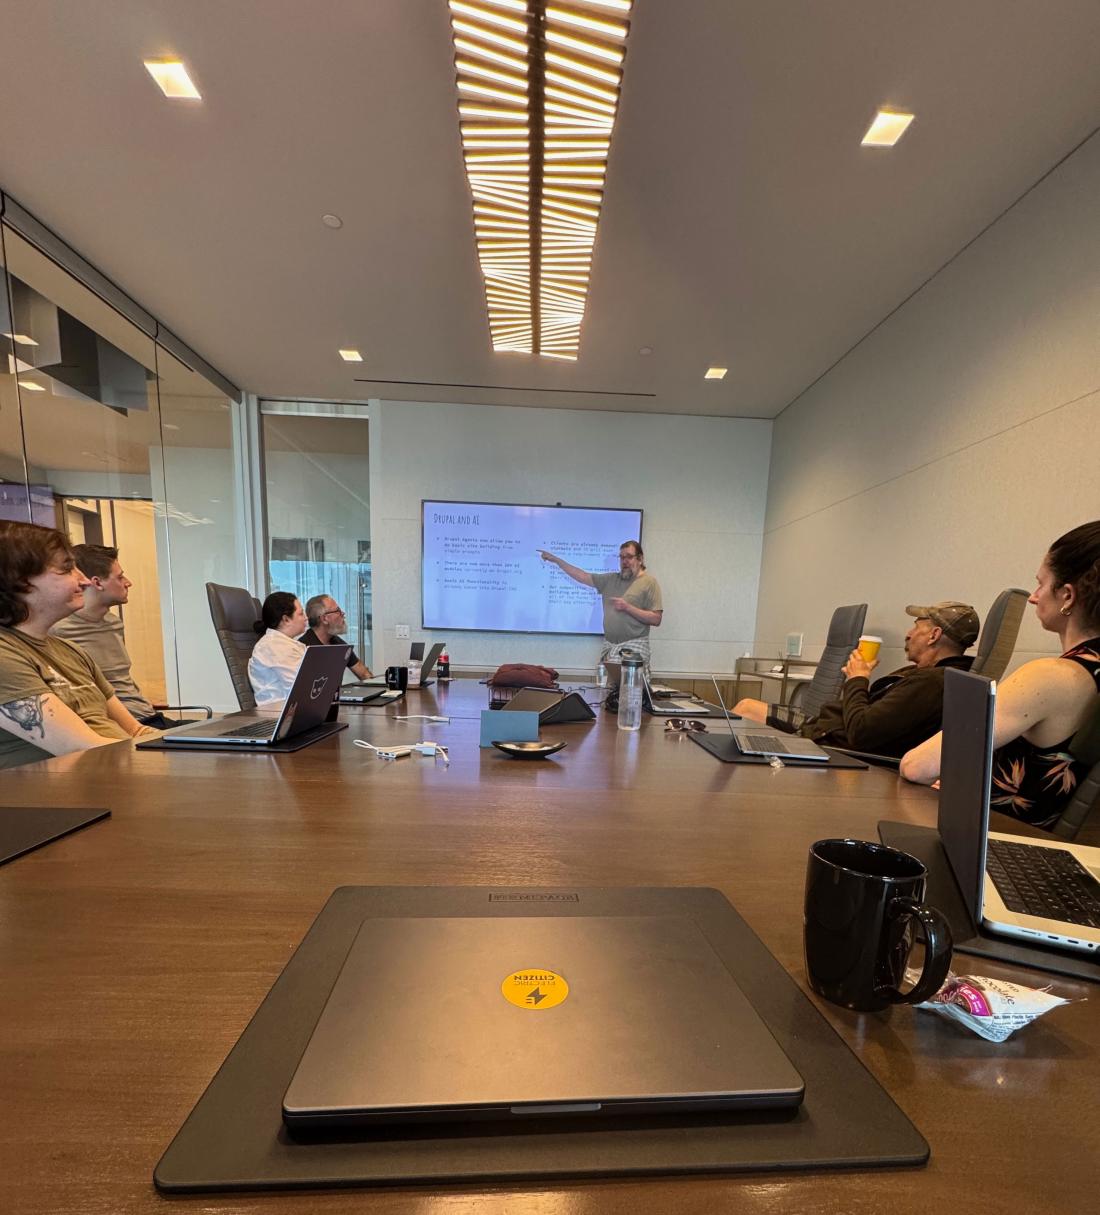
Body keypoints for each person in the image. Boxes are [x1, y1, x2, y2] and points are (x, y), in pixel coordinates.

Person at [901, 523, 1100, 830]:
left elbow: (917, 767)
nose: (1033, 597)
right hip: (1045, 855)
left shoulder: (1053, 677)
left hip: (988, 846)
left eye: (1041, 584)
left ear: (1067, 596)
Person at [0, 521, 160, 769]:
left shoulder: (72, 652)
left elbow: (137, 731)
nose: (85, 581)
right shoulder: (4, 655)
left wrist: (197, 745)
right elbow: (85, 750)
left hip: (113, 781)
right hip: (65, 800)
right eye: (66, 570)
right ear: (18, 581)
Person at [733, 601, 980, 759]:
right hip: (824, 726)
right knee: (746, 707)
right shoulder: (924, 675)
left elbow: (862, 732)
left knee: (742, 726)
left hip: (827, 745)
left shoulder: (931, 683)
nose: (908, 633)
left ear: (934, 635)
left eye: (916, 627)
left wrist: (858, 678)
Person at [50, 543, 179, 729]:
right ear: (96, 582)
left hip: (149, 718)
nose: (128, 582)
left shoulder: (113, 623)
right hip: (125, 726)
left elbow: (121, 681)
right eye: (120, 577)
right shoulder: (58, 631)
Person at [539, 540, 663, 670]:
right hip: (611, 647)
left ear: (640, 559)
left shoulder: (649, 583)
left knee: (631, 690)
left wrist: (628, 608)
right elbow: (582, 576)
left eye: (629, 557)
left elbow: (656, 619)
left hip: (634, 649)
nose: (624, 561)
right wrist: (557, 560)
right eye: (621, 557)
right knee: (609, 689)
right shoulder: (610, 579)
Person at [247, 591, 308, 706]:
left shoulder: (283, 643)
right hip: (278, 715)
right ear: (286, 619)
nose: (305, 618)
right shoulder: (273, 646)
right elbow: (302, 687)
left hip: (292, 710)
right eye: (301, 614)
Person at [301, 595, 373, 680]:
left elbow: (364, 673)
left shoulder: (337, 643)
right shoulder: (303, 648)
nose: (343, 613)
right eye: (337, 611)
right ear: (324, 619)